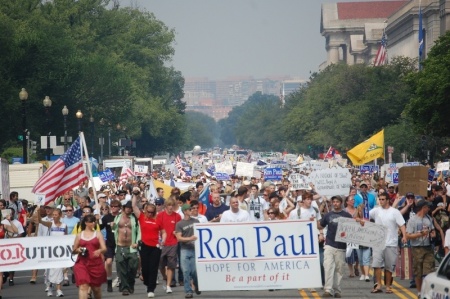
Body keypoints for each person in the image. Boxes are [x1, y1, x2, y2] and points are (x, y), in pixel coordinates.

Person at [366, 192, 406, 294]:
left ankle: (388, 286)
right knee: (377, 265)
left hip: (391, 243)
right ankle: (378, 285)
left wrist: (404, 236)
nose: (381, 201)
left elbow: (402, 224)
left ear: (388, 200)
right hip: (378, 242)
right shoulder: (375, 211)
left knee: (389, 266)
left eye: (383, 199)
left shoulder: (395, 212)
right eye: (380, 199)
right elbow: (365, 217)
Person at [131, 192, 165, 298]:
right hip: (145, 246)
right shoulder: (141, 217)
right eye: (148, 212)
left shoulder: (158, 219)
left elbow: (163, 232)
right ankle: (147, 283)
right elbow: (133, 206)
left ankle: (151, 289)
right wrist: (135, 195)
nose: (150, 214)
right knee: (145, 268)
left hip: (155, 246)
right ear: (146, 211)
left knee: (153, 268)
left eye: (152, 212)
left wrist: (163, 241)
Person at [318, 195, 352, 298]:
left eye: (337, 202)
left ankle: (337, 290)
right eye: (334, 202)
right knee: (328, 267)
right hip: (329, 244)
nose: (335, 203)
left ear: (341, 203)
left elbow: (353, 229)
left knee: (339, 269)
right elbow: (320, 226)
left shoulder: (347, 215)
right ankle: (328, 289)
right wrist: (314, 220)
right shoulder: (328, 215)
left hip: (341, 246)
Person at [72, 214, 107, 299]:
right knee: (83, 286)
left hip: (95, 263)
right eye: (92, 221)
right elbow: (74, 250)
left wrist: (99, 250)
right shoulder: (79, 235)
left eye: (94, 221)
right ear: (86, 223)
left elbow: (104, 248)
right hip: (82, 263)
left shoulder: (98, 234)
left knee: (96, 288)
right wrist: (78, 250)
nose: (94, 223)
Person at [406, 199, 436, 297]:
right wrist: (420, 234)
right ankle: (419, 292)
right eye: (427, 207)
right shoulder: (413, 220)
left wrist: (432, 234)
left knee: (429, 271)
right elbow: (408, 235)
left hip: (428, 247)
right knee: (418, 271)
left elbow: (433, 231)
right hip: (417, 247)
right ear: (423, 208)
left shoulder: (429, 219)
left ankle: (427, 291)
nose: (429, 209)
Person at [112, 200, 140, 296]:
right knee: (121, 268)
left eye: (130, 208)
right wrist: (112, 226)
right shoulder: (118, 217)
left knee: (133, 267)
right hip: (120, 246)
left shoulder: (135, 219)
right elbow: (114, 230)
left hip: (131, 247)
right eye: (127, 207)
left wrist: (137, 242)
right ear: (124, 208)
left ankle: (130, 284)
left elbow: (139, 231)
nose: (128, 209)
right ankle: (124, 288)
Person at [156, 196, 181, 294]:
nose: (171, 207)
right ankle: (165, 277)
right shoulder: (160, 215)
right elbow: (157, 228)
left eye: (172, 205)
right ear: (165, 206)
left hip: (173, 243)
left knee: (171, 265)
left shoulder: (177, 216)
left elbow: (179, 229)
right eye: (169, 205)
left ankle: (168, 285)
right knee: (161, 265)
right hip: (162, 244)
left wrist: (177, 233)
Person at [39, 209, 67, 297]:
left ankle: (59, 290)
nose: (54, 216)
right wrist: (38, 210)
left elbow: (66, 238)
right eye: (53, 214)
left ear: (60, 215)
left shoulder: (64, 225)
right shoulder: (50, 224)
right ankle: (50, 288)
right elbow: (40, 221)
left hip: (60, 251)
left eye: (56, 214)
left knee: (59, 270)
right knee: (50, 270)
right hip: (51, 251)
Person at [175, 204, 201, 298]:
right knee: (186, 271)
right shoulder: (180, 224)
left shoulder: (196, 221)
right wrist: (190, 238)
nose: (192, 210)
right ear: (185, 211)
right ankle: (188, 291)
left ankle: (197, 286)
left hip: (195, 249)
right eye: (190, 209)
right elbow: (179, 238)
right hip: (184, 249)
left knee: (194, 271)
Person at [99, 199, 120, 292]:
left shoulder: (121, 217)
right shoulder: (106, 217)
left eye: (115, 206)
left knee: (121, 263)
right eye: (112, 206)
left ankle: (121, 280)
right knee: (108, 262)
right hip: (109, 243)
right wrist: (97, 220)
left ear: (119, 208)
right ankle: (109, 281)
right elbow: (99, 228)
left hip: (120, 243)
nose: (113, 208)